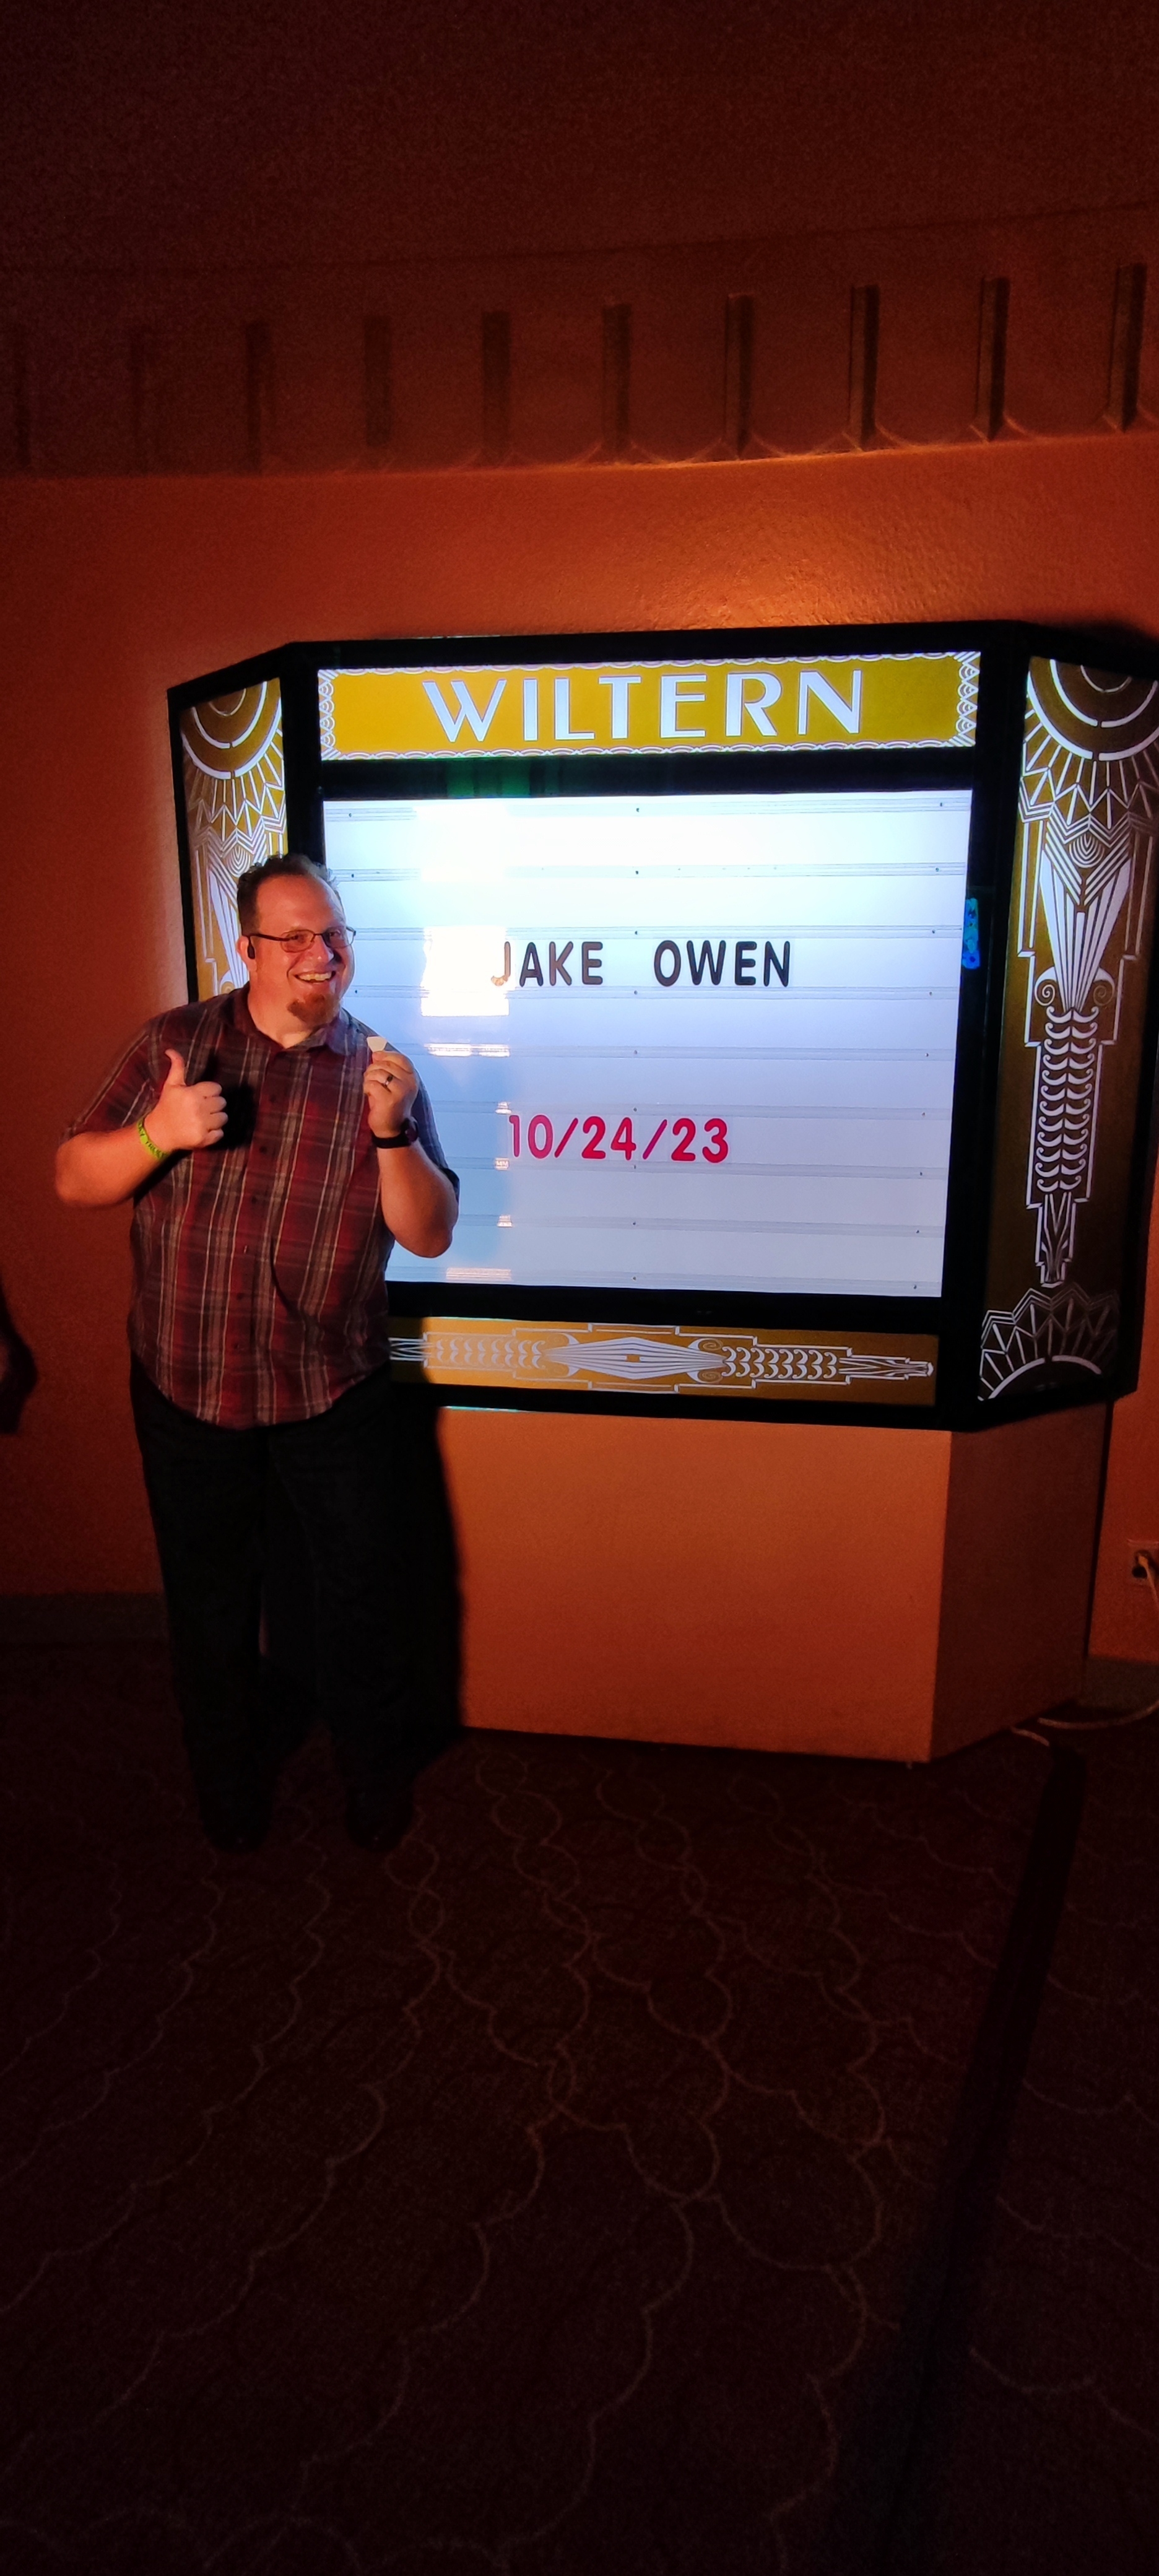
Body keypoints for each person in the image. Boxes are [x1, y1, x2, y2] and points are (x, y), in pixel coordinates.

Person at [55, 852, 459, 1854]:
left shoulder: (381, 1073)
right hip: (186, 1386)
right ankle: (229, 1793)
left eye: (336, 934)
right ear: (248, 949)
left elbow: (430, 1233)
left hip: (333, 1392)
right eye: (298, 937)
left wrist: (393, 1133)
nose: (324, 953)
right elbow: (73, 1178)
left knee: (361, 1599)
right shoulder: (175, 1045)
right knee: (210, 1607)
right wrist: (158, 1135)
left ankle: (373, 1778)